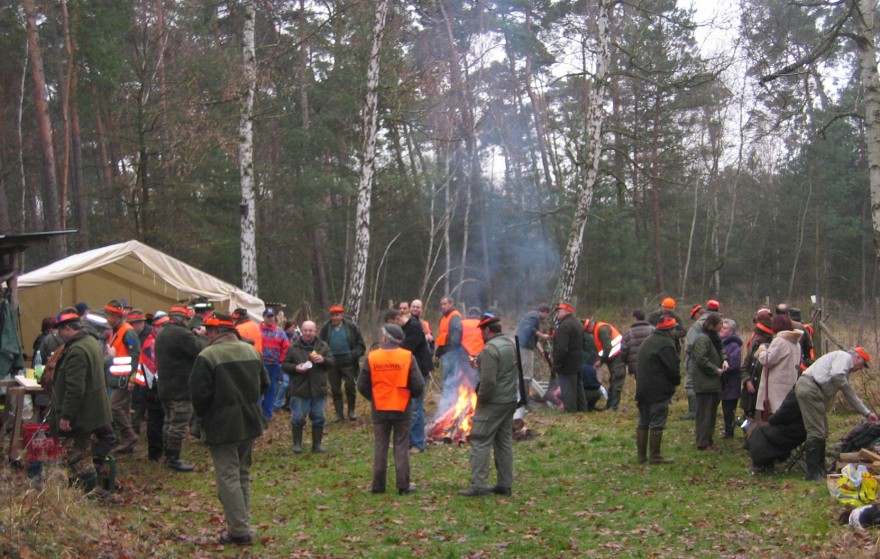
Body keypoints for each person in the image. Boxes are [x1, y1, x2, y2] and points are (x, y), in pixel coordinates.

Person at [189, 312, 270, 546]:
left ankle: (239, 530)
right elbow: (264, 384)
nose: (205, 334)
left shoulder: (207, 356)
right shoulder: (252, 351)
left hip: (222, 423)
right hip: (250, 420)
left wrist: (201, 420)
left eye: (208, 330)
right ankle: (242, 523)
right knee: (242, 473)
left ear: (215, 332)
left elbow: (199, 396)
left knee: (228, 476)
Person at [49, 309, 115, 492]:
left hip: (82, 413)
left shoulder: (77, 350)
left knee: (78, 458)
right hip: (93, 409)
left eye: (60, 330)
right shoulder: (91, 342)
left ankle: (88, 495)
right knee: (83, 454)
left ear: (68, 329)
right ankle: (86, 492)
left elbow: (75, 388)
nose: (59, 335)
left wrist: (66, 416)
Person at [357, 323, 424, 495]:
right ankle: (403, 486)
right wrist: (409, 396)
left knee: (380, 445)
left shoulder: (372, 357)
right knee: (401, 446)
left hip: (380, 407)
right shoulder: (407, 356)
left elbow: (362, 384)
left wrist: (374, 397)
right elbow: (418, 384)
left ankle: (378, 487)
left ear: (385, 338)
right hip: (402, 407)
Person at [457, 313, 518, 497]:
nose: (480, 336)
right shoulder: (509, 344)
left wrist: (481, 399)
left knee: (480, 440)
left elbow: (489, 382)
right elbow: (503, 370)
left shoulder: (490, 349)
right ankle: (505, 484)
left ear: (487, 330)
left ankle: (479, 485)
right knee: (503, 442)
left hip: (493, 402)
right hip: (509, 400)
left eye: (481, 332)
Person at [795, 347, 879, 481]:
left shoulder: (843, 368)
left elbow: (849, 394)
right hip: (810, 389)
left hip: (814, 391)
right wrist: (846, 386)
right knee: (816, 432)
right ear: (857, 358)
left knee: (823, 431)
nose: (860, 369)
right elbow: (837, 376)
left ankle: (820, 469)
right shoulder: (844, 357)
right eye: (862, 365)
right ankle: (813, 473)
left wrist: (867, 413)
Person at [155, 305, 206, 472]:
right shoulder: (182, 334)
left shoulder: (162, 332)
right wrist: (202, 337)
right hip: (180, 388)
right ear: (183, 319)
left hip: (165, 386)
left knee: (169, 422)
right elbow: (200, 351)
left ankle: (167, 454)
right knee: (178, 425)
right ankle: (173, 459)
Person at [282, 320, 334, 453]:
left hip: (319, 388)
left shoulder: (323, 346)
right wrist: (296, 368)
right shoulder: (293, 347)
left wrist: (323, 360)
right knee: (298, 417)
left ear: (315, 331)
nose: (308, 333)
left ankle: (317, 445)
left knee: (319, 417)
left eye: (310, 330)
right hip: (300, 388)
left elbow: (332, 363)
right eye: (305, 330)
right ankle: (297, 445)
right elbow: (285, 365)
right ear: (301, 331)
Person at [634, 316, 681, 464]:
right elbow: (672, 369)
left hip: (642, 388)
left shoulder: (649, 340)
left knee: (643, 422)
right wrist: (675, 383)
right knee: (657, 422)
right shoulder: (666, 344)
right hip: (658, 389)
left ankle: (641, 456)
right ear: (670, 329)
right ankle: (655, 456)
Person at [104, 300, 141, 454]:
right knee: (122, 409)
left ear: (116, 316)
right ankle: (125, 443)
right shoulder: (115, 330)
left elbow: (135, 355)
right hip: (115, 377)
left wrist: (132, 378)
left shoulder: (128, 331)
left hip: (123, 378)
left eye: (109, 315)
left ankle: (129, 436)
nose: (107, 318)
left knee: (114, 407)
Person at [133, 314, 170, 461]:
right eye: (162, 327)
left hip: (153, 386)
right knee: (155, 420)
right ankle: (154, 453)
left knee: (159, 420)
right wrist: (154, 388)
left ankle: (158, 451)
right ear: (155, 327)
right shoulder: (152, 344)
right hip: (150, 388)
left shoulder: (158, 341)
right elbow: (150, 369)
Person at [398, 300, 434, 454]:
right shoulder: (410, 326)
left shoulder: (414, 326)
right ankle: (409, 442)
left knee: (416, 408)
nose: (415, 309)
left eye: (418, 307)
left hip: (419, 370)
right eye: (413, 307)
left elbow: (405, 349)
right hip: (410, 370)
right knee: (409, 407)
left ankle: (417, 444)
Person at [320, 305, 366, 422]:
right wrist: (324, 357)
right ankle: (339, 414)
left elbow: (361, 345)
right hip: (332, 362)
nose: (334, 317)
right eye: (332, 315)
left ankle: (351, 411)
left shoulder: (351, 327)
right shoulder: (326, 328)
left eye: (337, 315)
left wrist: (353, 355)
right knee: (335, 388)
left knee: (350, 386)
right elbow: (320, 344)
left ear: (342, 315)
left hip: (348, 361)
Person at [691, 312, 728, 450]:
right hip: (704, 382)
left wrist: (724, 360)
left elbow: (720, 350)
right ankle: (702, 442)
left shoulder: (714, 338)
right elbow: (700, 358)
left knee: (711, 413)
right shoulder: (703, 338)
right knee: (704, 414)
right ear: (712, 324)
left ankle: (708, 440)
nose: (722, 327)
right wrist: (715, 369)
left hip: (713, 383)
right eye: (720, 324)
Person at [756, 314, 802, 418]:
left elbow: (767, 360)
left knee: (772, 418)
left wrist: (762, 350)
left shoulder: (780, 341)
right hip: (788, 386)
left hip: (775, 390)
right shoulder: (796, 343)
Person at [584, 318, 626, 411]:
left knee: (616, 381)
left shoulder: (601, 329)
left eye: (587, 330)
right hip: (613, 358)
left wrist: (601, 361)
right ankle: (609, 406)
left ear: (590, 325)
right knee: (613, 381)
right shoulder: (598, 330)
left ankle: (613, 408)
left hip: (618, 357)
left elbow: (607, 347)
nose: (588, 332)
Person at [551, 303, 585, 412]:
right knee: (579, 387)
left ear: (566, 311)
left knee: (568, 388)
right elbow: (583, 342)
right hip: (578, 360)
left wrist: (557, 363)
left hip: (567, 362)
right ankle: (582, 409)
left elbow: (562, 348)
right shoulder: (578, 323)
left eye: (559, 311)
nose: (557, 313)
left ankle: (570, 412)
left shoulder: (564, 326)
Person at [515, 304, 551, 400]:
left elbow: (534, 338)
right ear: (544, 312)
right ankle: (524, 399)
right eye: (547, 314)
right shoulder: (534, 316)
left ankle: (523, 397)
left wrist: (542, 352)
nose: (546, 317)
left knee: (526, 372)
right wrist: (543, 335)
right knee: (526, 374)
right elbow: (530, 329)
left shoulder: (533, 317)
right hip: (524, 347)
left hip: (525, 346)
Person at [259, 307, 289, 422]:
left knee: (271, 390)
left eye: (272, 316)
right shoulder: (258, 331)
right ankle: (258, 413)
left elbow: (286, 348)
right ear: (264, 317)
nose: (270, 319)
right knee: (259, 389)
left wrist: (281, 361)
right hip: (261, 364)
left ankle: (267, 415)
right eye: (268, 316)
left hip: (274, 365)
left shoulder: (280, 332)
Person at [719, 319, 743, 439]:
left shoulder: (733, 345)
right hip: (724, 382)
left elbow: (734, 365)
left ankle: (729, 432)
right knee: (725, 408)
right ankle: (728, 430)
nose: (722, 330)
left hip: (730, 382)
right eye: (721, 327)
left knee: (729, 410)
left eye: (725, 328)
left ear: (731, 331)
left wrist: (721, 370)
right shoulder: (723, 342)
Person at [435, 296, 465, 384]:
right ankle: (447, 396)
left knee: (449, 380)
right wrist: (438, 353)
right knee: (446, 379)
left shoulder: (455, 316)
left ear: (451, 304)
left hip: (451, 353)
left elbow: (456, 336)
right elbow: (442, 337)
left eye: (444, 304)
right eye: (441, 304)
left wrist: (451, 351)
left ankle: (449, 397)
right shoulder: (444, 318)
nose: (442, 306)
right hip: (445, 353)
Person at [621, 309, 654, 378]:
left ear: (635, 318)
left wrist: (627, 363)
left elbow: (624, 351)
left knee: (640, 385)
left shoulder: (628, 333)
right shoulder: (653, 330)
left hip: (636, 365)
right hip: (652, 363)